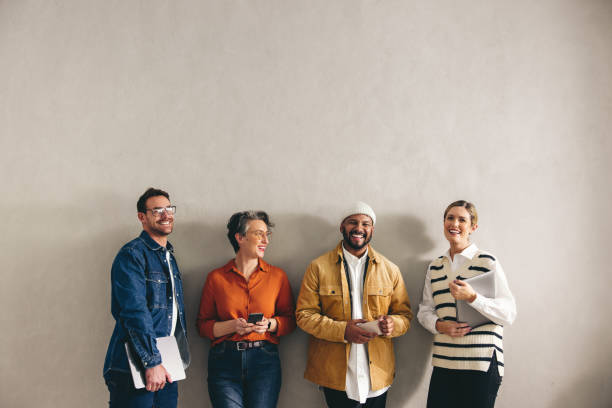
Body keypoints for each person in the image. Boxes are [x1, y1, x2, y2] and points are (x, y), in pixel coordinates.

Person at [296, 202, 412, 408]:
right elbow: (304, 315)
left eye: (365, 224)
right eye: (353, 222)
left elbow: (404, 316)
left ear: (372, 230)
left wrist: (392, 324)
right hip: (336, 376)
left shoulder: (390, 269)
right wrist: (342, 330)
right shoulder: (318, 267)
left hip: (377, 376)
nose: (359, 228)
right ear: (342, 227)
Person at [417, 200, 517, 408]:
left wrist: (473, 297)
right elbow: (425, 311)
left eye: (462, 219)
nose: (454, 223)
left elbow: (508, 314)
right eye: (450, 218)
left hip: (480, 365)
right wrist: (439, 326)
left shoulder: (487, 261)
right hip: (444, 363)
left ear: (473, 227)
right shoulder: (435, 267)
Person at [197, 211, 296, 408]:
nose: (265, 240)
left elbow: (290, 320)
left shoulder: (277, 276)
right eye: (259, 233)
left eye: (267, 234)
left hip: (265, 362)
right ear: (240, 237)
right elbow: (202, 326)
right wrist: (232, 326)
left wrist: (270, 324)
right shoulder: (216, 278)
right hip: (224, 361)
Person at [103, 187, 190, 408]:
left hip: (166, 366)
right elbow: (134, 312)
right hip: (138, 365)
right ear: (142, 217)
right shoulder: (132, 254)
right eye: (157, 210)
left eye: (169, 208)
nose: (166, 214)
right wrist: (152, 362)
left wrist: (165, 362)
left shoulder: (169, 256)